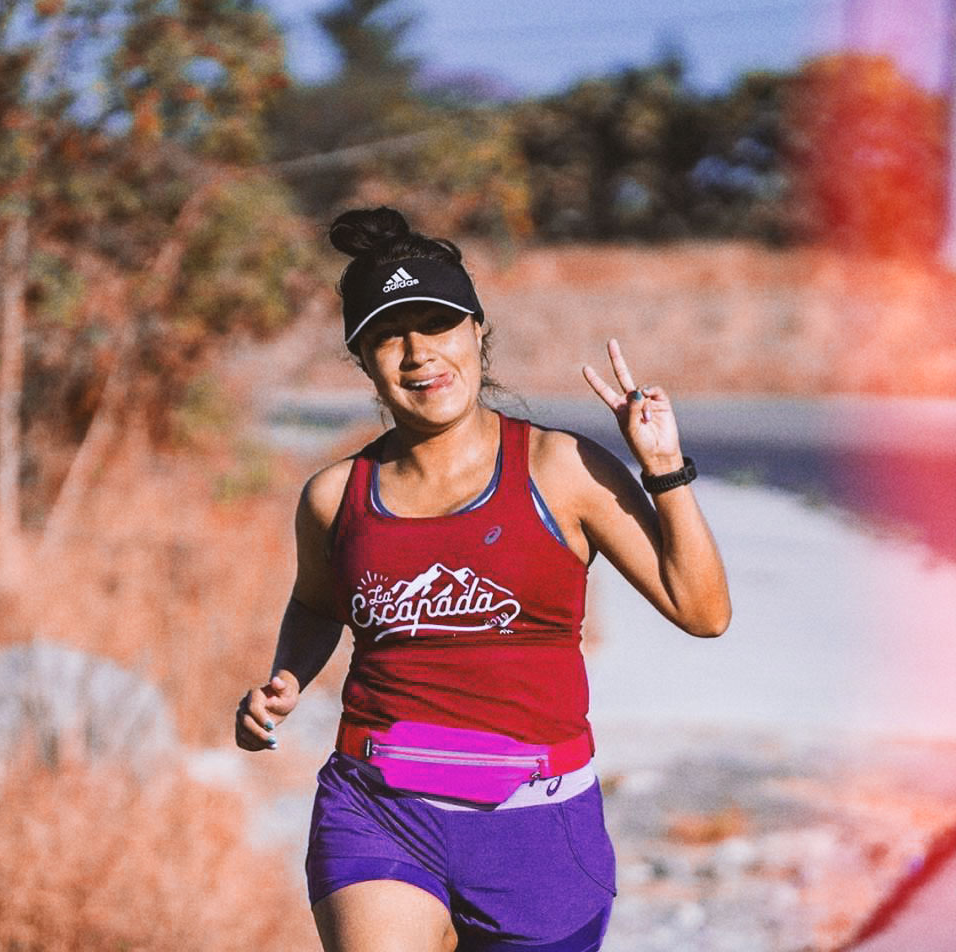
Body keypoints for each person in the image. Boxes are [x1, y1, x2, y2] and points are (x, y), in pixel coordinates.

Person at [235, 206, 731, 952]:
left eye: (437, 324)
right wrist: (286, 679)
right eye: (387, 336)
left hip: (538, 828)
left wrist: (663, 468)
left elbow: (703, 612)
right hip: (378, 807)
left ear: (477, 330)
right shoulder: (336, 496)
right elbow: (314, 603)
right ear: (362, 359)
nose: (417, 355)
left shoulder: (562, 469)